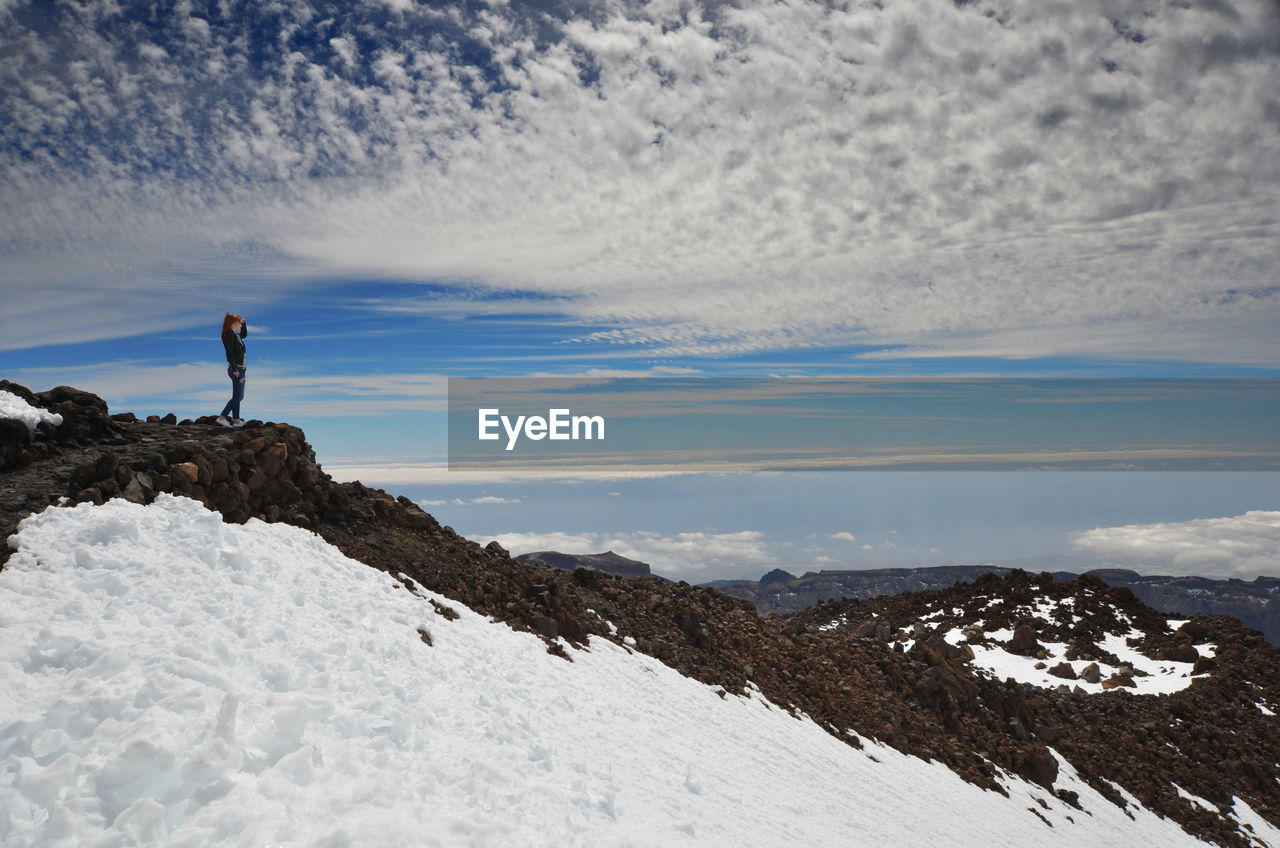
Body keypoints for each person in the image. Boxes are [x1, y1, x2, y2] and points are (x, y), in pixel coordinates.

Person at [217, 313, 248, 426]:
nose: (240, 325)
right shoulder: (229, 335)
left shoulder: (235, 335)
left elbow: (244, 334)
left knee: (236, 396)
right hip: (237, 370)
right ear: (234, 323)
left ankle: (236, 420)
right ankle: (222, 417)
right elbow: (229, 354)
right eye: (240, 323)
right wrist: (235, 369)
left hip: (241, 369)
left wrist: (244, 324)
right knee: (239, 396)